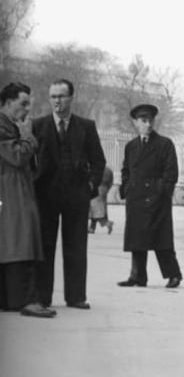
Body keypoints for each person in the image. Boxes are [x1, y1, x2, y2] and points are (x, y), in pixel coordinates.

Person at [32, 78, 106, 310]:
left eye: (61, 96)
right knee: (45, 247)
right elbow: (30, 160)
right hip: (46, 195)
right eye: (53, 96)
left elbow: (99, 160)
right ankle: (43, 297)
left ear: (71, 98)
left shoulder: (86, 126)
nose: (57, 101)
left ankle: (76, 297)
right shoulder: (38, 125)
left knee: (76, 247)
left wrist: (90, 186)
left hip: (76, 195)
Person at [0, 82, 54, 318]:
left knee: (15, 241)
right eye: (22, 104)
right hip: (11, 190)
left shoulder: (9, 125)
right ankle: (25, 300)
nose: (26, 111)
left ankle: (14, 299)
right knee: (20, 240)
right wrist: (28, 138)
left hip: (14, 188)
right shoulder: (6, 127)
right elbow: (17, 156)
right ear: (8, 102)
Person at [117, 104, 183, 289]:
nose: (148, 125)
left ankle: (173, 275)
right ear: (136, 123)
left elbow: (171, 173)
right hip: (136, 199)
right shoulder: (131, 146)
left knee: (161, 239)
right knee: (137, 239)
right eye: (143, 121)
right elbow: (126, 169)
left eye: (150, 121)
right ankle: (137, 276)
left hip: (157, 200)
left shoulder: (164, 144)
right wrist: (127, 187)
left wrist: (161, 191)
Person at [88, 166, 115, 234]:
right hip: (104, 189)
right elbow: (111, 182)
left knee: (96, 210)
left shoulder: (94, 169)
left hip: (97, 189)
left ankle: (107, 223)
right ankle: (92, 228)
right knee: (98, 210)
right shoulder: (108, 170)